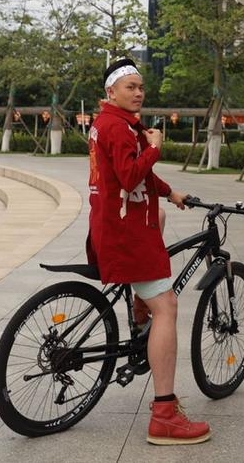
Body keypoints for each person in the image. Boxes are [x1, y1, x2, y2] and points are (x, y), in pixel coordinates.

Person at [86, 57, 211, 446]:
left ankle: (141, 309)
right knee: (168, 307)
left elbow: (133, 176)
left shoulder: (114, 124)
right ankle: (164, 414)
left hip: (117, 227)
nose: (138, 93)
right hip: (125, 235)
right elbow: (129, 174)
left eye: (141, 87)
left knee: (161, 235)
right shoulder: (118, 127)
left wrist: (168, 191)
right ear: (111, 92)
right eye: (130, 87)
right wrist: (155, 148)